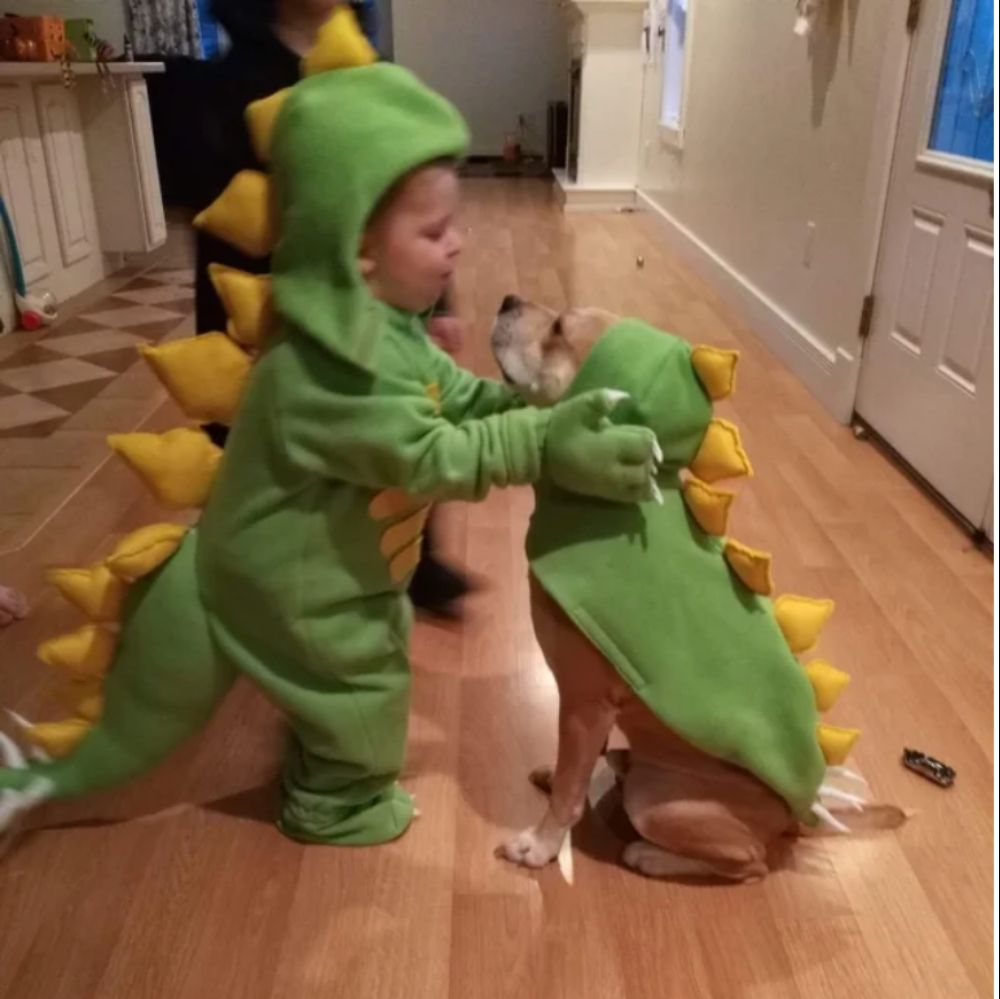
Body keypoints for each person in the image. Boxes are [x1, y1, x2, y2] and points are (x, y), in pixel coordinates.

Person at [194, 0, 474, 618]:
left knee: (398, 412)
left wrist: (440, 303)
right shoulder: (235, 81)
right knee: (287, 446)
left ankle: (411, 554)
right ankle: (264, 573)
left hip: (374, 299)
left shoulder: (366, 65)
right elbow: (222, 221)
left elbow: (414, 199)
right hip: (279, 297)